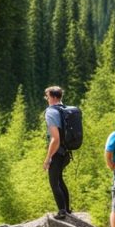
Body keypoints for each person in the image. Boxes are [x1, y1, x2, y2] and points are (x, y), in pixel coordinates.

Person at [42, 85, 72, 219]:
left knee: (54, 182)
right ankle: (67, 209)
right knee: (59, 179)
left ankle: (62, 212)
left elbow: (55, 139)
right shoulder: (65, 110)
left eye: (47, 97)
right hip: (67, 152)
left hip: (57, 152)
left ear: (53, 97)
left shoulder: (51, 112)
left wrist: (48, 158)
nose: (46, 99)